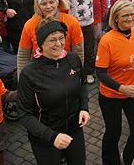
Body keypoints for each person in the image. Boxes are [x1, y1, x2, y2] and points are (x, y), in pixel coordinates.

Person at [18, 19, 90, 164]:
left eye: (61, 38)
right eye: (52, 40)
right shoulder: (29, 73)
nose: (58, 44)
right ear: (41, 43)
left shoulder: (73, 59)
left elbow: (82, 83)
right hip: (45, 138)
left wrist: (84, 108)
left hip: (74, 129)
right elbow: (24, 114)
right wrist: (52, 136)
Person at [96, 0, 134, 165]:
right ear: (116, 18)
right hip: (111, 94)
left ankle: (128, 158)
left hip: (133, 91)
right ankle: (110, 161)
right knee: (113, 132)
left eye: (132, 14)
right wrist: (121, 88)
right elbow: (100, 73)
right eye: (125, 15)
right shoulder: (107, 40)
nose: (130, 18)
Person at [16, 0, 84, 77]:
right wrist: (22, 80)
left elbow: (78, 52)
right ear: (38, 6)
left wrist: (77, 74)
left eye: (51, 2)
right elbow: (23, 55)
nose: (48, 7)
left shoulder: (72, 22)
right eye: (44, 4)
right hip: (39, 74)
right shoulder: (30, 25)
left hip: (65, 71)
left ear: (57, 2)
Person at [60, 0, 107, 84]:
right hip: (75, 24)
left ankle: (89, 72)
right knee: (76, 50)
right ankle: (77, 71)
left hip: (88, 24)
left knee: (89, 50)